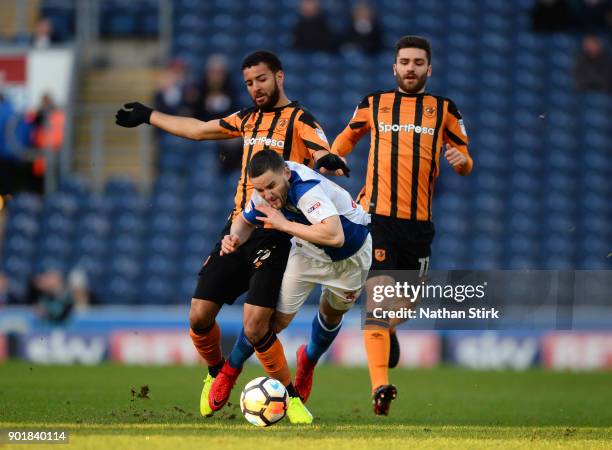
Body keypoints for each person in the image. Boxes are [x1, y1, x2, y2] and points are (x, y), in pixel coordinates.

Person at [115, 50, 349, 423]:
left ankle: (289, 399)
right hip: (238, 228)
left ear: (279, 77)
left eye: (261, 79)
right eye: (249, 83)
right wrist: (149, 115)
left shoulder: (300, 120)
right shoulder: (246, 119)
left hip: (278, 235)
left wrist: (327, 161)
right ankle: (215, 371)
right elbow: (198, 130)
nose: (255, 88)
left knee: (256, 325)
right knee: (198, 316)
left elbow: (322, 150)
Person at [331, 35, 474, 415]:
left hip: (418, 226)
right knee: (376, 303)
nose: (410, 68)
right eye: (404, 62)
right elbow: (345, 140)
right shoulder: (374, 104)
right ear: (394, 67)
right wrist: (329, 159)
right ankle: (381, 386)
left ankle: (391, 330)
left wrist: (460, 160)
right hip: (377, 218)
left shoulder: (444, 109)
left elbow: (466, 162)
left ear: (430, 68)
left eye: (418, 62)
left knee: (403, 308)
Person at [215, 150, 371, 417]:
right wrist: (234, 238)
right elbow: (245, 220)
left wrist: (284, 224)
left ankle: (308, 361)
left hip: (352, 257)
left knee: (331, 314)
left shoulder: (308, 190)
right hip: (308, 252)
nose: (267, 195)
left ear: (286, 173)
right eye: (261, 189)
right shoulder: (263, 190)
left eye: (271, 186)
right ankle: (229, 370)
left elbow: (335, 237)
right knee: (273, 323)